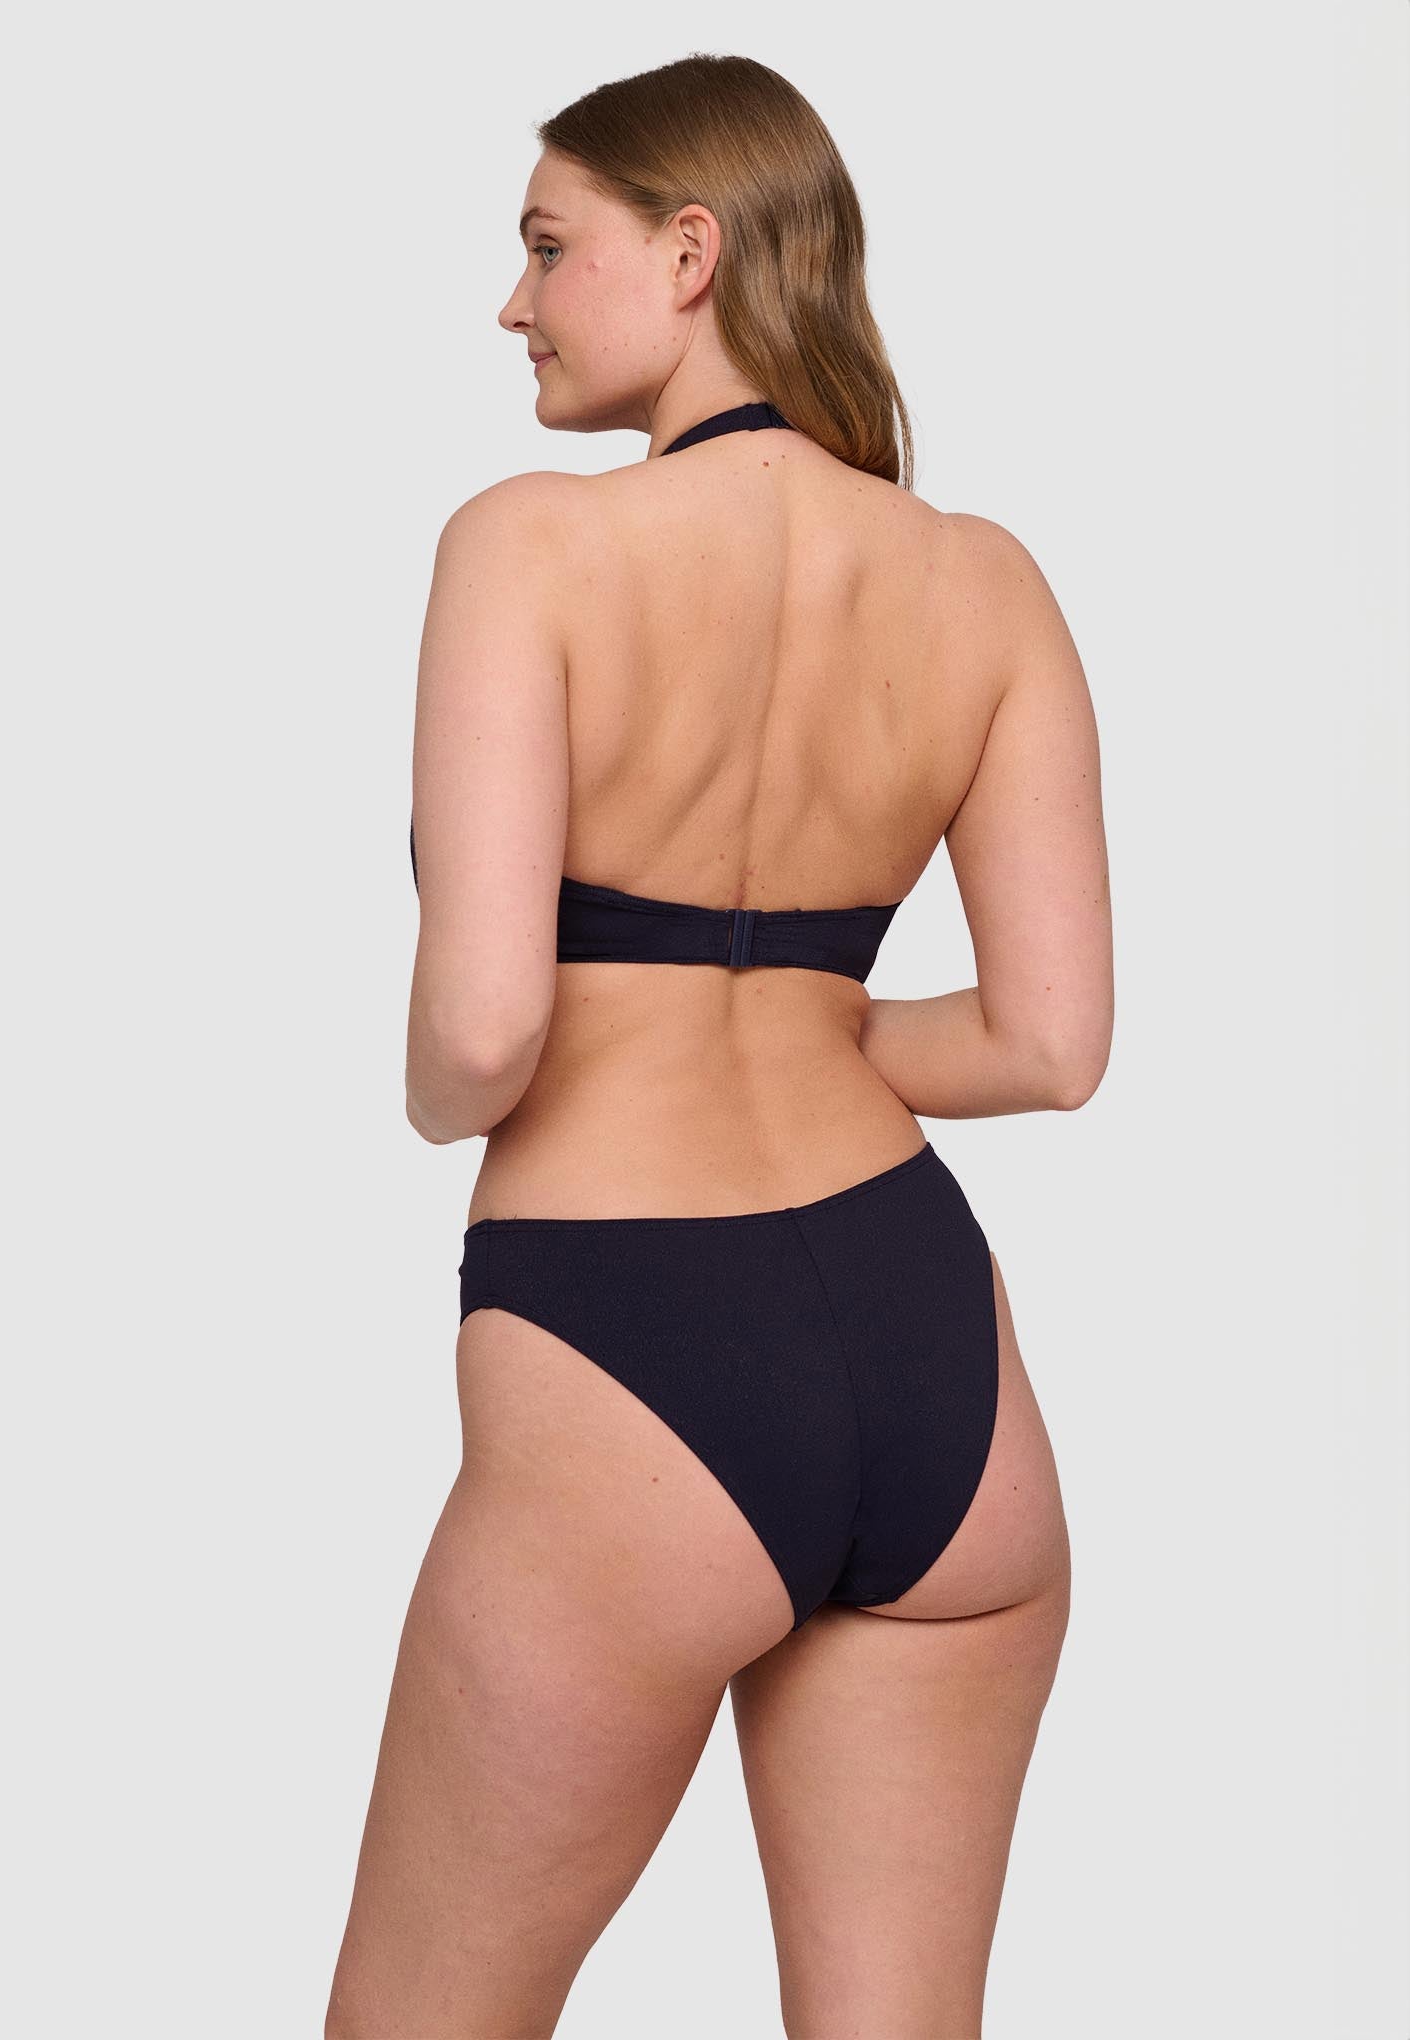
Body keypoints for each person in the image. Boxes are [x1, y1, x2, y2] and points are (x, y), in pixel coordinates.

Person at [327, 51, 1112, 2040]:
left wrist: (434, 1094)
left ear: (692, 252)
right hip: (937, 1363)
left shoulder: (529, 546)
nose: (512, 302)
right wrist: (821, 1027)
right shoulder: (985, 582)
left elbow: (484, 1026)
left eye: (546, 248)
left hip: (634, 1342)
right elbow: (1049, 1042)